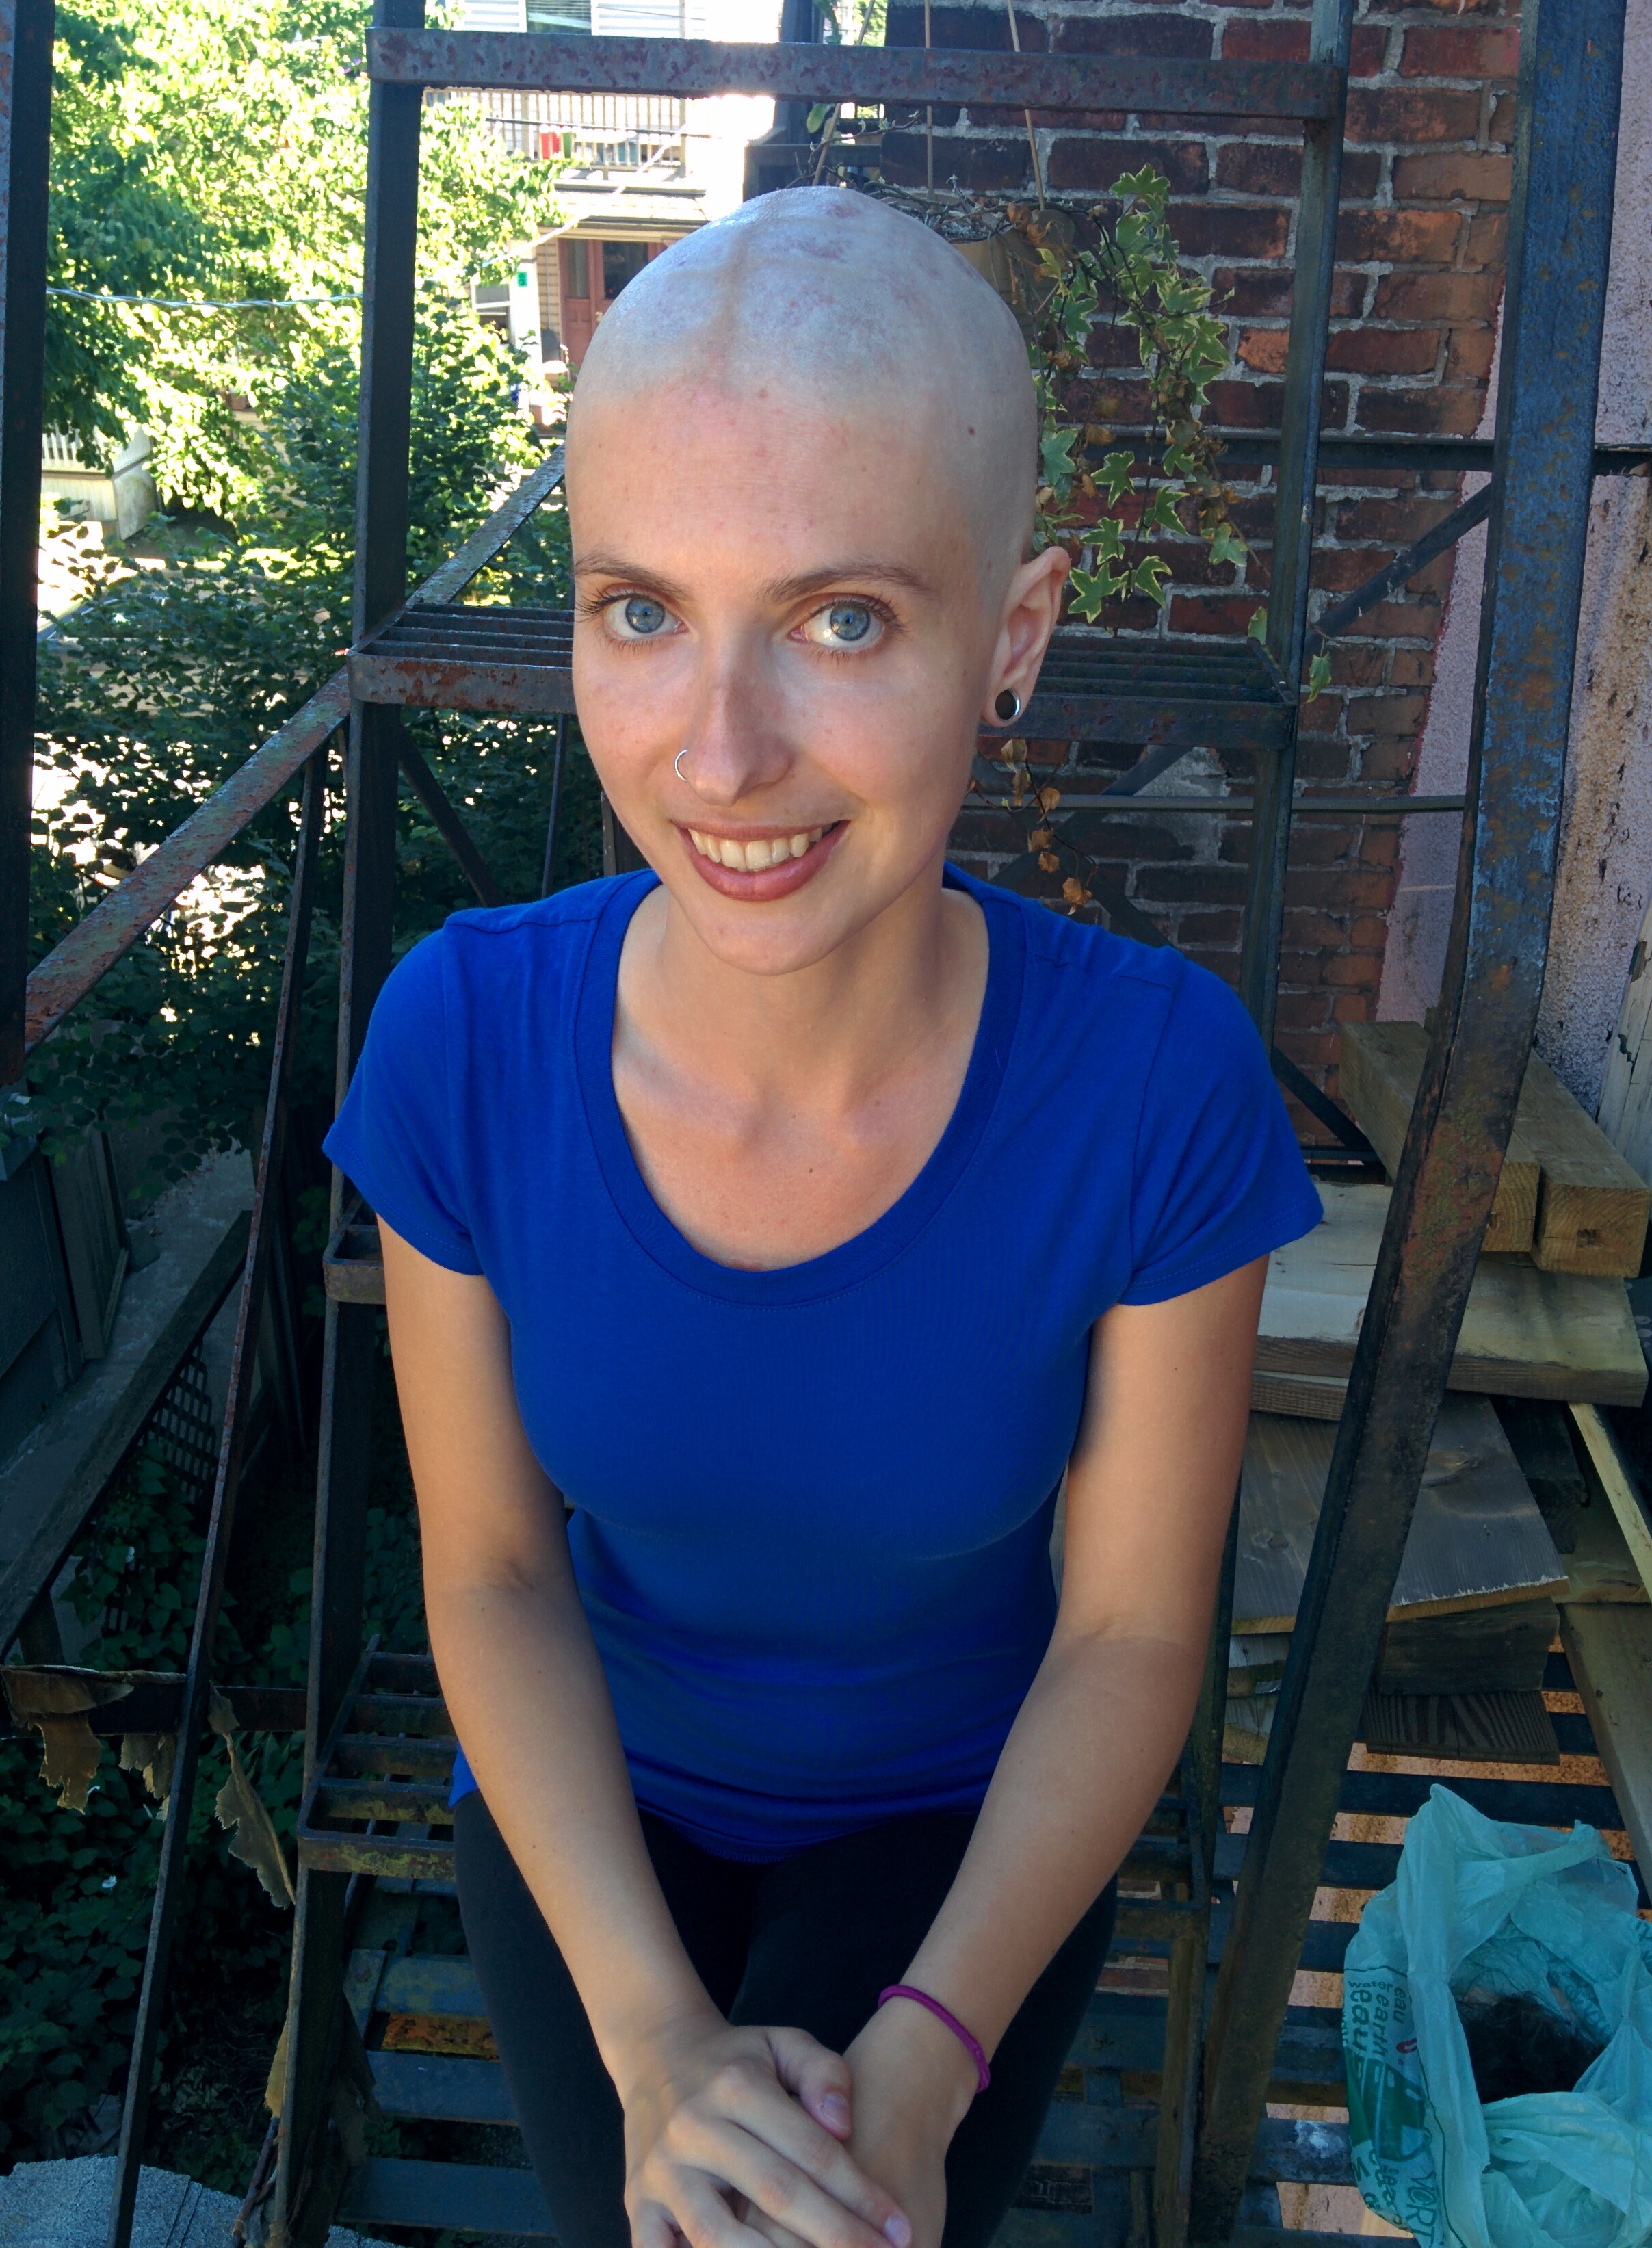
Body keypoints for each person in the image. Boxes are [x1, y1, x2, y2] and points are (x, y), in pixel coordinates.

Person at [325, 186, 1322, 2248]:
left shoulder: (1154, 1089)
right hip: (595, 1799)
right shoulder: (465, 1041)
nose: (721, 754)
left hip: (963, 1821)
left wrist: (929, 2055)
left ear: (1012, 640)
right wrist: (651, 2042)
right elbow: (494, 1575)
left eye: (842, 620)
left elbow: (1133, 1631)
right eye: (640, 611)